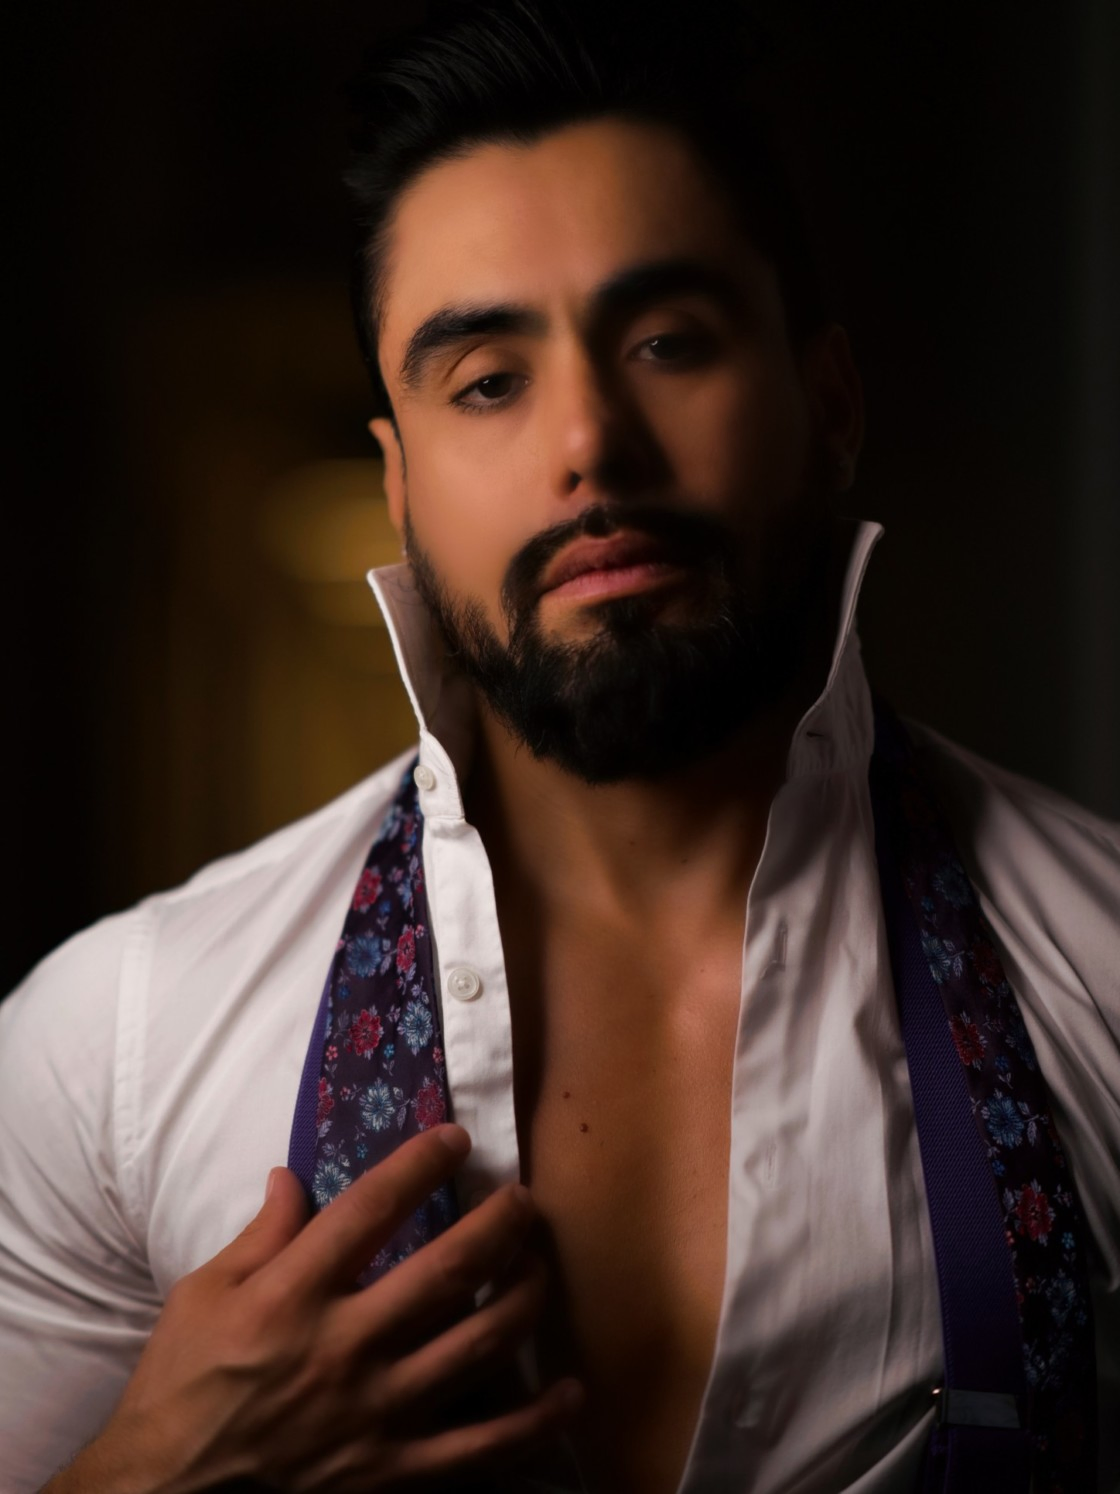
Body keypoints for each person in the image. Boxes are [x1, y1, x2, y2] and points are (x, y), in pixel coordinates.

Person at [1, 2, 1117, 1491]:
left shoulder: (1102, 972)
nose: (590, 439)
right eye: (487, 380)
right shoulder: (115, 1045)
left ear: (828, 402)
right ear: (398, 482)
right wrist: (155, 1467)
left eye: (668, 342)